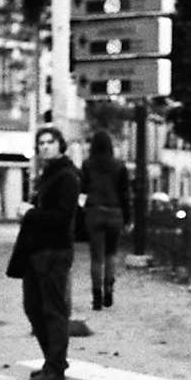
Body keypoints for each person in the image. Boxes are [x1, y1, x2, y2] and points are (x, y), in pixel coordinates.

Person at [11, 126, 80, 380]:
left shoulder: (67, 176)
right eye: (41, 143)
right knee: (33, 307)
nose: (45, 146)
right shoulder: (46, 174)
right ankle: (54, 359)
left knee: (53, 310)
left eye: (50, 142)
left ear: (60, 145)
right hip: (36, 251)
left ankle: (55, 367)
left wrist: (30, 213)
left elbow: (62, 218)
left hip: (53, 251)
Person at [79, 131, 132, 310]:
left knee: (96, 258)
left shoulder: (87, 165)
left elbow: (83, 189)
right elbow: (125, 194)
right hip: (114, 213)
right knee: (111, 254)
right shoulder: (119, 166)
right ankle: (109, 289)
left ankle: (96, 297)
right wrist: (128, 218)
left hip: (95, 212)